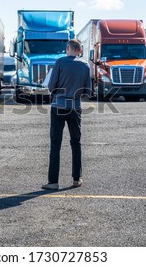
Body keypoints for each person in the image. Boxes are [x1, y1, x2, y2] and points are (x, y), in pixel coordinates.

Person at [42, 39, 91, 190]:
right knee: (76, 143)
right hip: (75, 107)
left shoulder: (60, 62)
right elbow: (88, 91)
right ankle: (77, 179)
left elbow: (51, 86)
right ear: (80, 50)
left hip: (58, 106)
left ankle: (53, 182)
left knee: (55, 144)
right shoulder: (85, 65)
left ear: (68, 48)